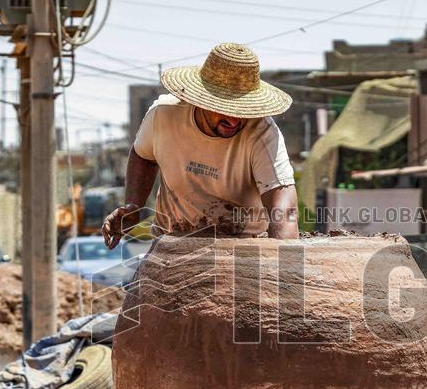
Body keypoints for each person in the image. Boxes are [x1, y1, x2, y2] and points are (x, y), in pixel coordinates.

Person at [103, 42, 299, 247]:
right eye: (223, 109)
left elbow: (284, 209)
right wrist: (134, 206)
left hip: (242, 247)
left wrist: (284, 265)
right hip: (171, 241)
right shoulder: (163, 115)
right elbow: (143, 156)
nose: (233, 121)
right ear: (200, 100)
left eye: (242, 111)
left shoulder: (262, 132)